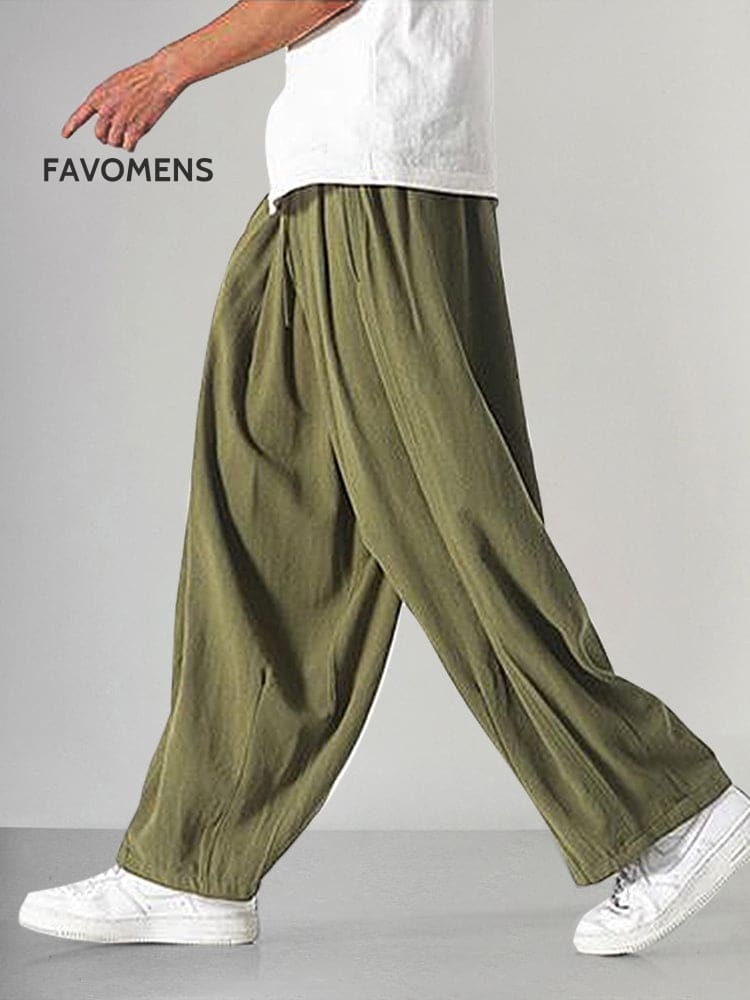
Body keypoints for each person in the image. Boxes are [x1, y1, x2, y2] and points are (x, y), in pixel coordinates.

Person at [18, 0, 750, 956]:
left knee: (450, 527)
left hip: (377, 174)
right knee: (272, 526)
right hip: (332, 176)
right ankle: (190, 862)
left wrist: (168, 68)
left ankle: (667, 809)